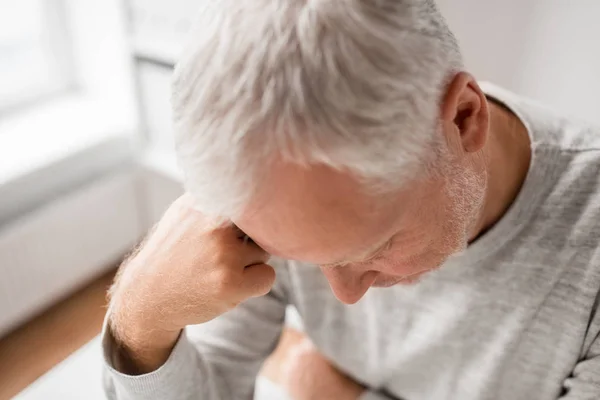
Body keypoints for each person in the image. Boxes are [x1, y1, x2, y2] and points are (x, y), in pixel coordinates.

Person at [102, 1, 600, 399]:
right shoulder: (274, 195)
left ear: (465, 119)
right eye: (300, 259)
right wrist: (140, 317)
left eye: (374, 246)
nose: (344, 296)